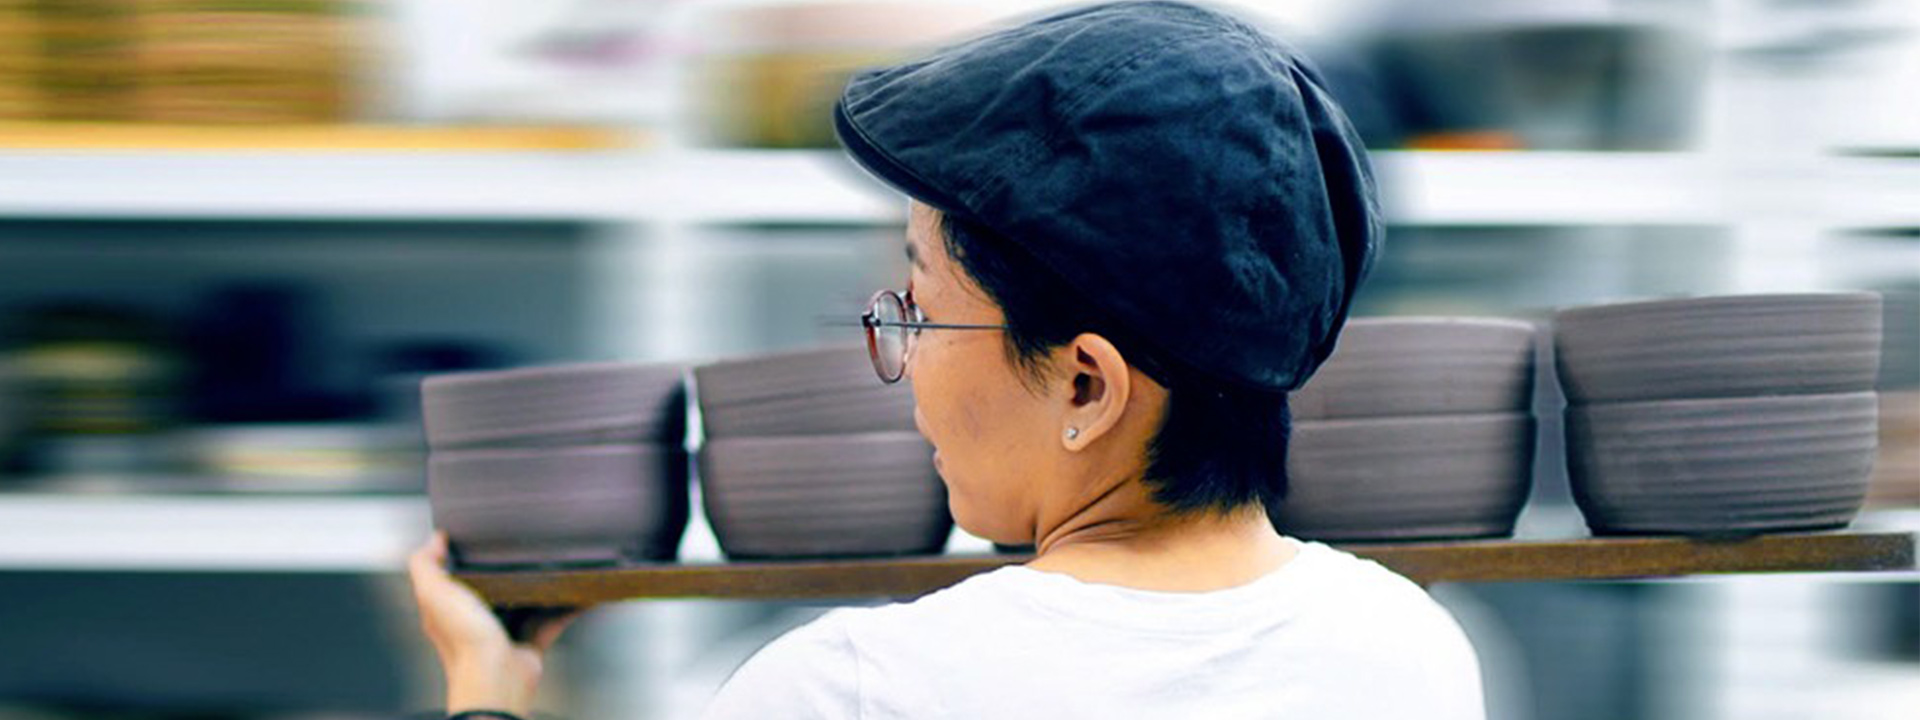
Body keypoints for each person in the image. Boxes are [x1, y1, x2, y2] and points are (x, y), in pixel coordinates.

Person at [408, 2, 1486, 718]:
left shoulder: (854, 692)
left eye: (919, 308)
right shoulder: (1411, 654)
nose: (905, 360)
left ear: (1086, 384)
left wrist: (486, 694)